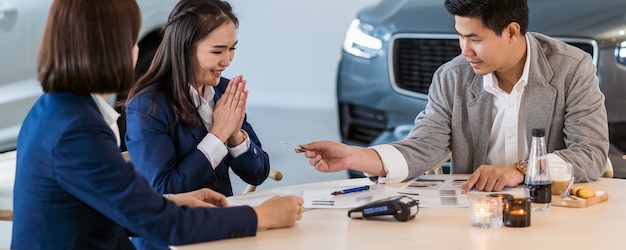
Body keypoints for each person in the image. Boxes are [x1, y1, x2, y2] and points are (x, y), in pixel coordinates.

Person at [11, 0, 303, 249]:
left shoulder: (57, 111)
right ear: (113, 49)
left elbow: (117, 206)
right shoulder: (78, 129)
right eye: (132, 40)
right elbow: (160, 224)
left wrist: (174, 202)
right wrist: (263, 216)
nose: (137, 50)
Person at [299, 0, 609, 194]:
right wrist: (355, 156)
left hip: (552, 209)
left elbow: (591, 153)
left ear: (512, 32)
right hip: (477, 211)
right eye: (460, 36)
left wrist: (517, 171)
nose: (464, 50)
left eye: (475, 39)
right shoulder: (452, 76)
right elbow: (424, 146)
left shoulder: (572, 68)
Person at [125, 0, 268, 198]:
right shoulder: (148, 105)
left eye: (232, 48)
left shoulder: (224, 91)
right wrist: (218, 135)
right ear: (185, 48)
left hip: (225, 219)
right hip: (179, 225)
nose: (227, 60)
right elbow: (166, 191)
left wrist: (235, 135)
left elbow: (258, 174)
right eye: (217, 51)